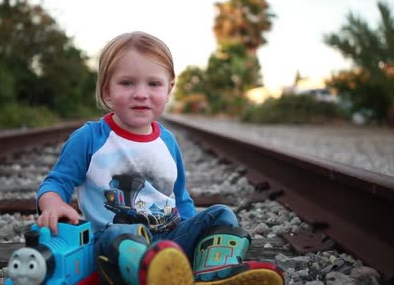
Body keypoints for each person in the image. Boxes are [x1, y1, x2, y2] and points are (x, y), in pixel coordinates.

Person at [36, 31, 284, 285]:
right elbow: (56, 182)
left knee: (221, 215)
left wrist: (194, 233)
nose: (141, 93)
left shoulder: (167, 142)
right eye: (127, 83)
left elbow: (181, 198)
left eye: (153, 84)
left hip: (170, 243)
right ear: (106, 90)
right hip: (114, 244)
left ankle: (211, 274)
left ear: (169, 90)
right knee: (120, 232)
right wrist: (53, 204)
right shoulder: (90, 137)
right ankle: (151, 274)